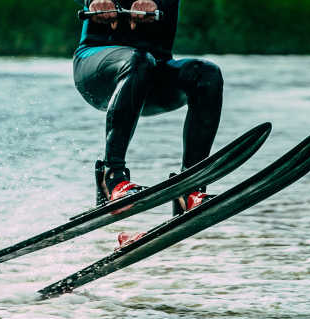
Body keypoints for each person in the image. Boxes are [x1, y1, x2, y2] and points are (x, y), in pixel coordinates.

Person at [73, 0, 223, 215]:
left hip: (152, 75)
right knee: (139, 59)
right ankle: (112, 177)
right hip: (96, 71)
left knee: (207, 74)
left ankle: (190, 187)